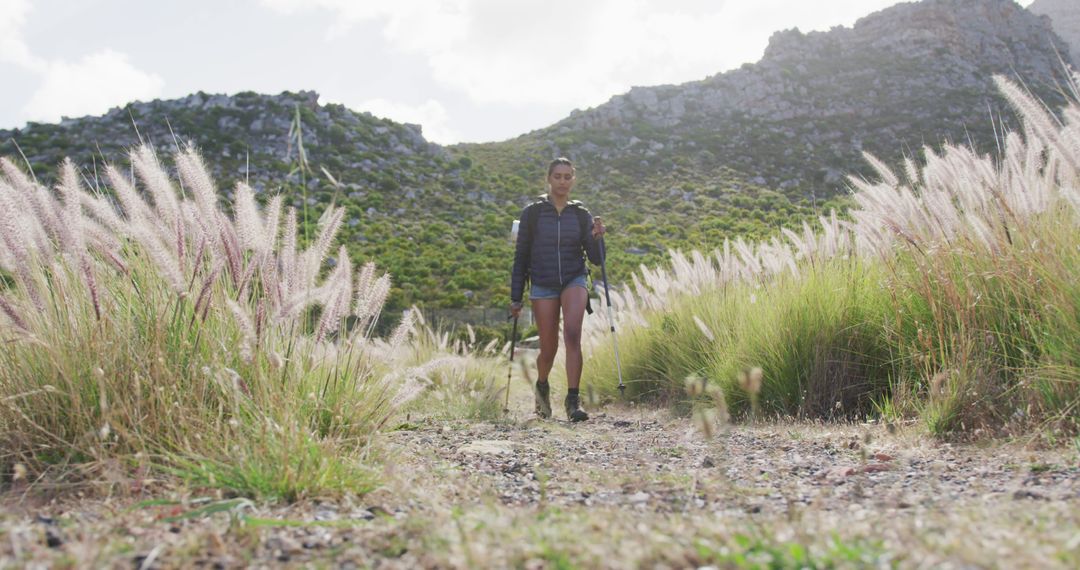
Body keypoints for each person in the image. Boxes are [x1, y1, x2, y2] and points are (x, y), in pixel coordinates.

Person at [510, 157, 606, 422]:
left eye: (567, 177)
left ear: (573, 179)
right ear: (548, 179)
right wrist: (515, 297)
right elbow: (521, 257)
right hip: (542, 281)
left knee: (573, 335)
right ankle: (542, 387)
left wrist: (598, 237)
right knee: (549, 348)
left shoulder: (581, 214)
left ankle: (573, 401)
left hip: (574, 278)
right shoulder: (533, 213)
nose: (563, 181)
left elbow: (597, 258)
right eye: (558, 176)